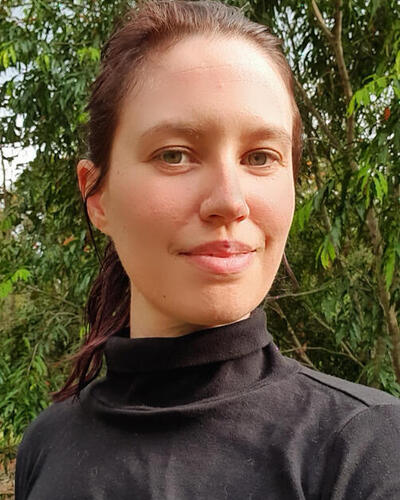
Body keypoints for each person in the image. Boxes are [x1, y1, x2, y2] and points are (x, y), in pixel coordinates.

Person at [15, 0, 400, 498]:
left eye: (260, 157)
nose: (230, 201)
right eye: (175, 155)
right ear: (97, 196)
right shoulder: (47, 444)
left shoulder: (365, 450)